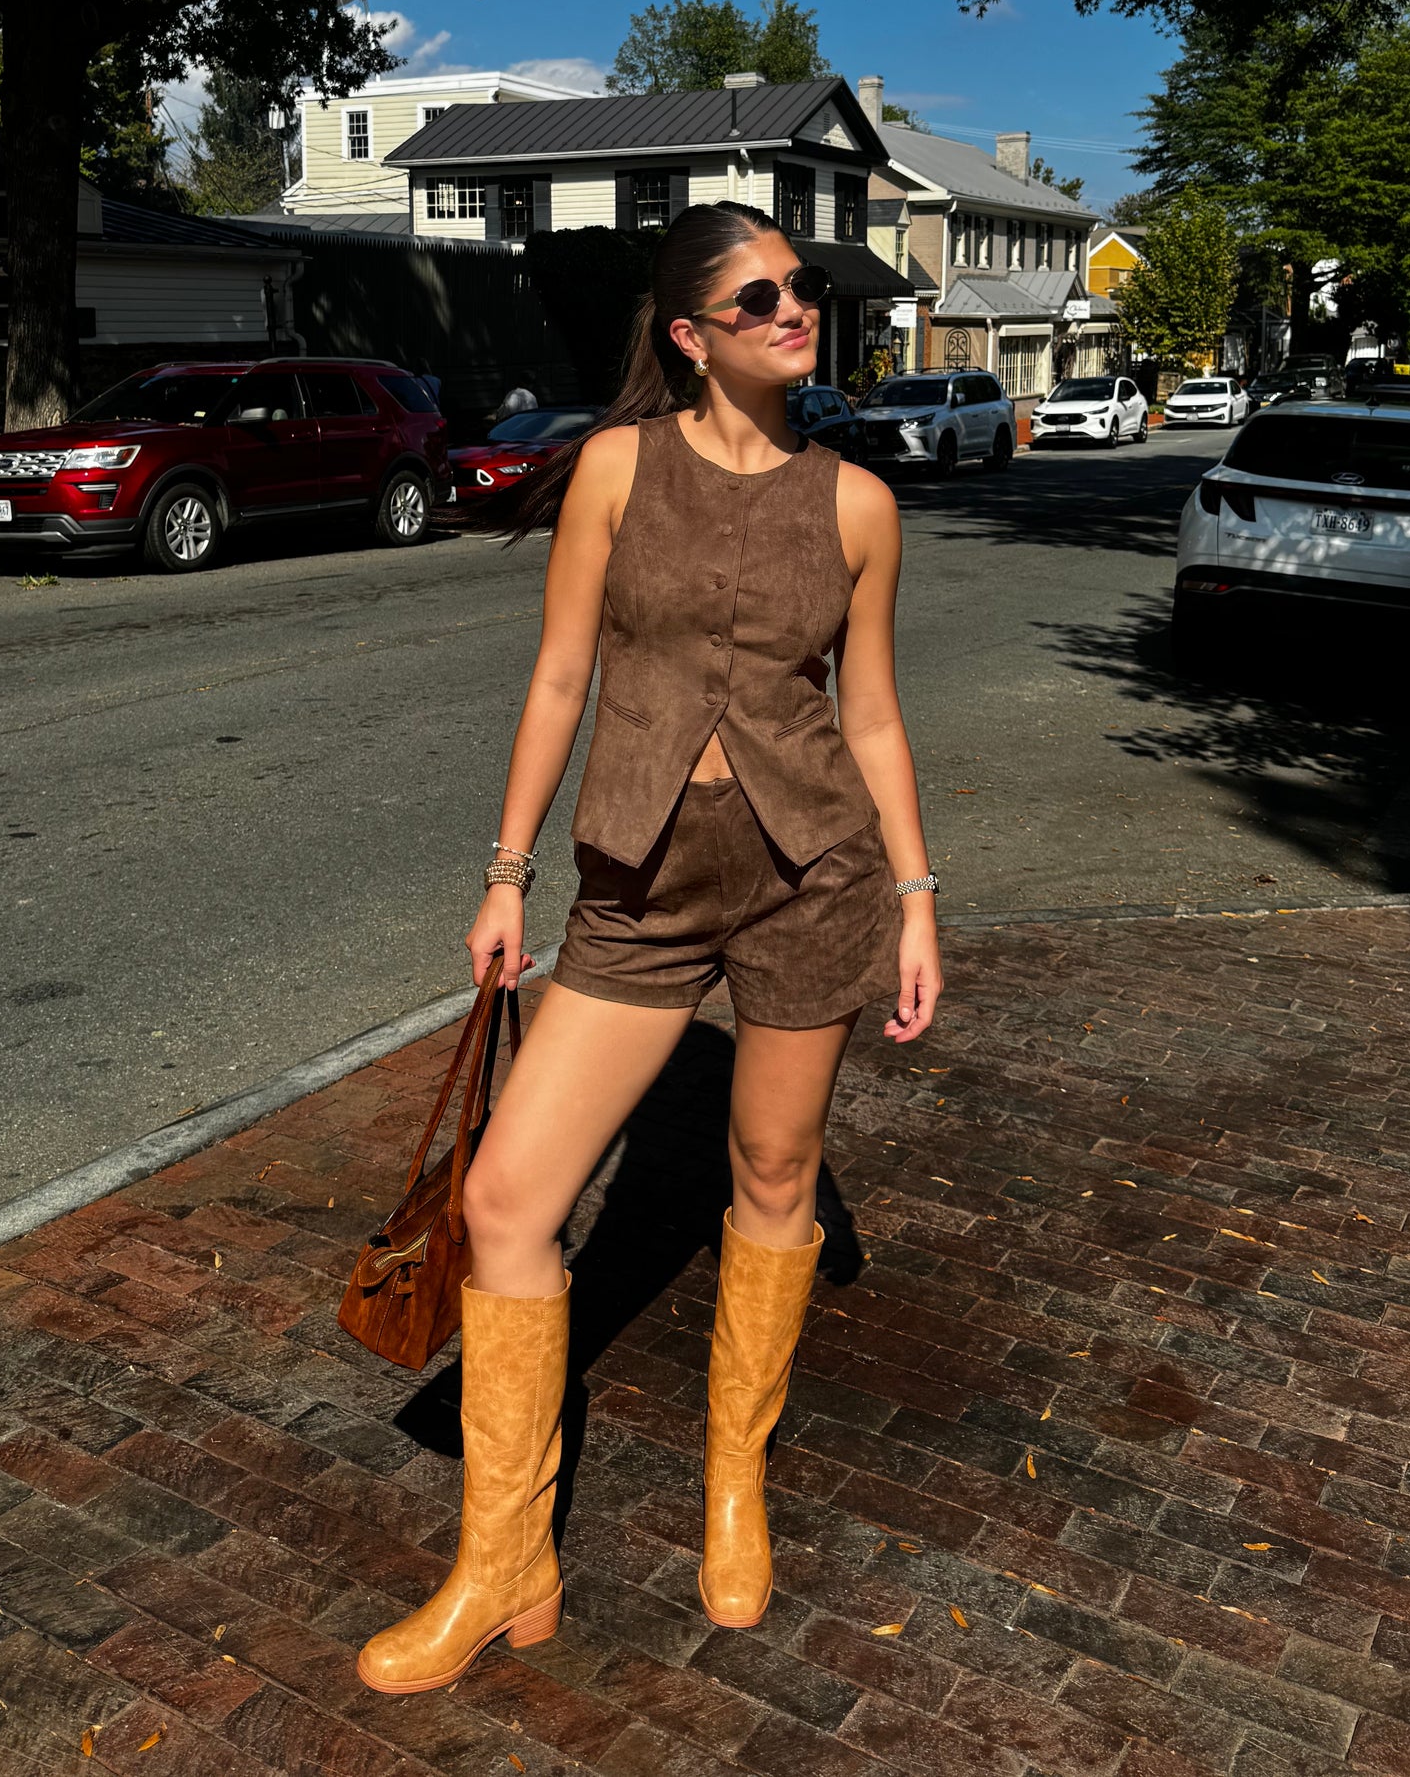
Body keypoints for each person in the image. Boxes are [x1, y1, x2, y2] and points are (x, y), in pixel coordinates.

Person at [358, 200, 942, 1697]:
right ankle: (504, 1564)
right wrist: (503, 871)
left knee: (769, 1177)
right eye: (756, 297)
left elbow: (866, 712)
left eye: (800, 289)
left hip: (813, 877)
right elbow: (559, 674)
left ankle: (730, 1489)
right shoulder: (615, 469)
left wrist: (919, 896)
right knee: (507, 1201)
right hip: (636, 879)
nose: (791, 311)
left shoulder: (858, 503)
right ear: (687, 333)